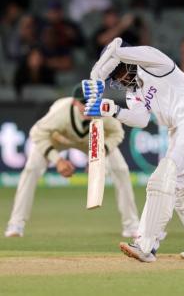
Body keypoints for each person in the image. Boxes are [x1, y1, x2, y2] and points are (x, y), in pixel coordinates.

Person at [83, 37, 184, 262]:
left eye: (117, 74)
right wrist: (111, 110)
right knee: (181, 191)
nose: (119, 81)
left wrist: (97, 74)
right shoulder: (134, 91)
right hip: (180, 129)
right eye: (114, 79)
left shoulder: (153, 59)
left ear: (124, 63)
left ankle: (146, 245)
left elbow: (117, 50)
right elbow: (140, 119)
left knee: (162, 182)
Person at [4, 85, 140, 238]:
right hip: (58, 138)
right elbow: (36, 133)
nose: (88, 107)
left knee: (120, 169)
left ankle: (131, 225)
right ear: (74, 103)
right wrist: (57, 160)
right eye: (84, 103)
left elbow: (117, 133)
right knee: (31, 168)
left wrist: (98, 157)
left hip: (93, 140)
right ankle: (16, 224)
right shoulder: (61, 112)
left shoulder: (103, 110)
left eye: (92, 102)